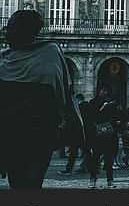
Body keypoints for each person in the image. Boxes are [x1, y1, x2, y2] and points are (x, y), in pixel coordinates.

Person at [0, 10, 81, 189]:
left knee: (31, 183)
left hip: (38, 130)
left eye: (13, 27)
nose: (7, 30)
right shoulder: (4, 57)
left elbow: (59, 92)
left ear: (29, 30)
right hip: (10, 132)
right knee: (17, 183)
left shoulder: (49, 53)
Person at [87, 87, 122, 188]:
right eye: (103, 90)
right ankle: (92, 179)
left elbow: (116, 117)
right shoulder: (93, 102)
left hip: (109, 135)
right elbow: (92, 117)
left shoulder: (111, 103)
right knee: (95, 158)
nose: (104, 92)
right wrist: (102, 108)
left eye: (106, 91)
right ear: (99, 91)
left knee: (109, 159)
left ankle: (110, 180)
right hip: (97, 135)